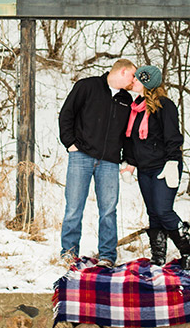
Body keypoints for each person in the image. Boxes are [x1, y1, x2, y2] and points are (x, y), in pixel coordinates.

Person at [57, 57, 135, 268]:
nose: (133, 80)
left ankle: (107, 255)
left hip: (109, 161)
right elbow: (66, 114)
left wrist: (127, 159)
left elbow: (127, 134)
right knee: (74, 207)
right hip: (81, 156)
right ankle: (69, 253)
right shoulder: (87, 86)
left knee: (108, 209)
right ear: (122, 71)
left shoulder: (126, 100)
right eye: (132, 75)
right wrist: (70, 143)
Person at [120, 64, 190, 269]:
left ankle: (187, 249)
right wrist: (129, 164)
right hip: (145, 168)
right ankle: (158, 255)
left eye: (137, 78)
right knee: (153, 212)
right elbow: (132, 141)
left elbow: (173, 136)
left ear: (146, 82)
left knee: (163, 210)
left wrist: (172, 161)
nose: (132, 81)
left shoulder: (165, 106)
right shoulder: (136, 108)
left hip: (164, 166)